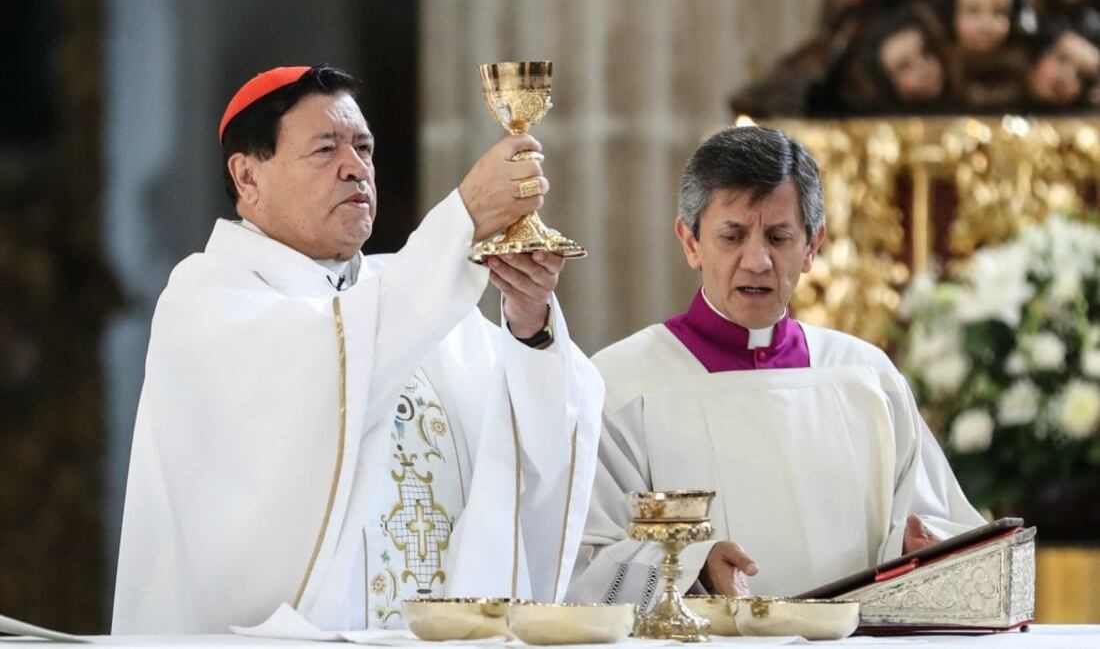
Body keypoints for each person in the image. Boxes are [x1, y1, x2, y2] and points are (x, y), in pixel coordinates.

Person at [113, 65, 603, 633]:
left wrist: (529, 325)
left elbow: (530, 444)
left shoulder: (408, 294)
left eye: (363, 147)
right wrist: (465, 215)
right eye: (325, 149)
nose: (355, 167)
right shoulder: (207, 298)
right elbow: (332, 363)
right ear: (247, 176)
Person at [566, 126, 984, 607]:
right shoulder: (622, 384)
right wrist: (693, 566)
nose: (758, 261)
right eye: (733, 235)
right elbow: (582, 565)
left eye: (779, 237)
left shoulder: (867, 378)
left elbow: (943, 531)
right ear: (691, 242)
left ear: (812, 246)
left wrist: (913, 551)